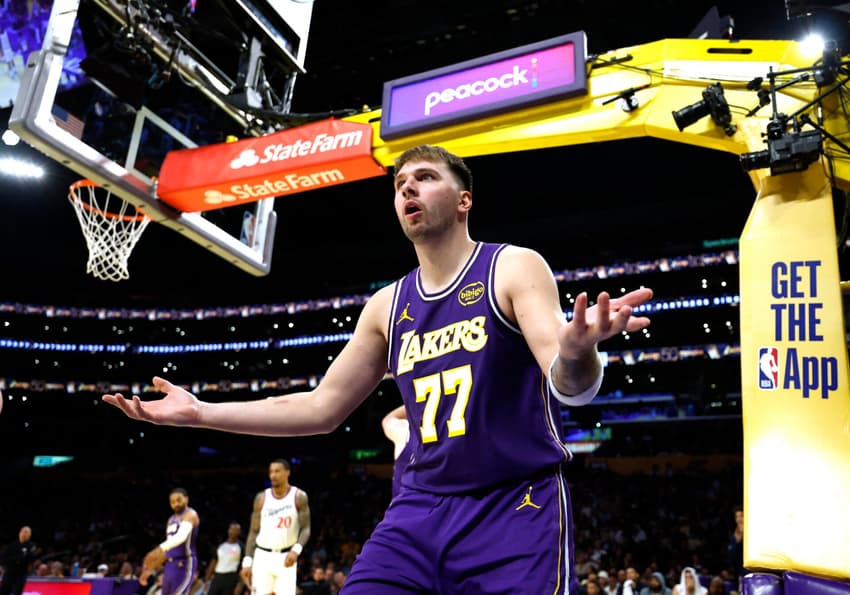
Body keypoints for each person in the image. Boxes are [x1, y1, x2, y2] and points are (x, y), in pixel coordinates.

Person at [103, 144, 654, 594]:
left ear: (464, 200)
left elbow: (569, 386)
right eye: (399, 184)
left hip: (512, 504)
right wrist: (199, 412)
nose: (407, 188)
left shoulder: (511, 265)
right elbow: (320, 408)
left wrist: (580, 352)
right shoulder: (387, 306)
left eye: (424, 177)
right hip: (416, 511)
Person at [239, 460, 311, 595]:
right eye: (271, 472)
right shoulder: (261, 498)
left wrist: (296, 550)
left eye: (277, 471)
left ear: (287, 473)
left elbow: (306, 528)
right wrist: (247, 561)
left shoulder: (299, 497)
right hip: (262, 556)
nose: (273, 475)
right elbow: (253, 531)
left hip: (286, 556)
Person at [139, 488, 200, 595]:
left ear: (186, 499)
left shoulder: (191, 514)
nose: (176, 503)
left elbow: (181, 537)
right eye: (172, 501)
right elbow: (168, 547)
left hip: (184, 563)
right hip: (170, 565)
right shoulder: (171, 519)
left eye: (179, 500)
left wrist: (157, 550)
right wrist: (151, 568)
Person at [381, 404, 411, 500]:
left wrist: (420, 401)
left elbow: (388, 419)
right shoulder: (456, 441)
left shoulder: (405, 432)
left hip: (403, 512)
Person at [204, 522, 243, 595]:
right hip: (218, 576)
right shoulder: (221, 545)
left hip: (231, 577)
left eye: (235, 530)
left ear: (239, 532)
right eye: (231, 529)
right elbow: (213, 562)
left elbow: (242, 567)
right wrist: (207, 580)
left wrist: (240, 584)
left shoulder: (241, 547)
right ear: (228, 530)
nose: (233, 532)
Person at [0, 526, 39, 595]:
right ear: (19, 533)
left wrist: (15, 560)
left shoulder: (31, 546)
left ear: (30, 535)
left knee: (17, 592)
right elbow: (3, 559)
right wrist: (18, 559)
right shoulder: (12, 545)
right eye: (23, 531)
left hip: (20, 575)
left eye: (27, 532)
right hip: (8, 574)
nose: (24, 534)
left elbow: (29, 559)